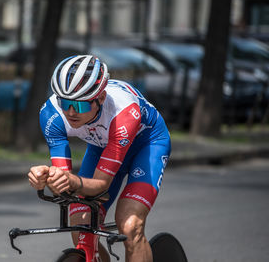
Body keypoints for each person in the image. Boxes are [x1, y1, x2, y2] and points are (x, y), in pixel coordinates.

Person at [28, 55, 171, 262]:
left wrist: (69, 180)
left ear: (101, 98)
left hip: (147, 145)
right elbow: (66, 184)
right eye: (65, 102)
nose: (70, 112)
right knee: (80, 225)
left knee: (130, 226)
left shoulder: (123, 113)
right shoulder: (51, 114)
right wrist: (47, 178)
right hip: (103, 145)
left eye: (80, 106)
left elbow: (101, 186)